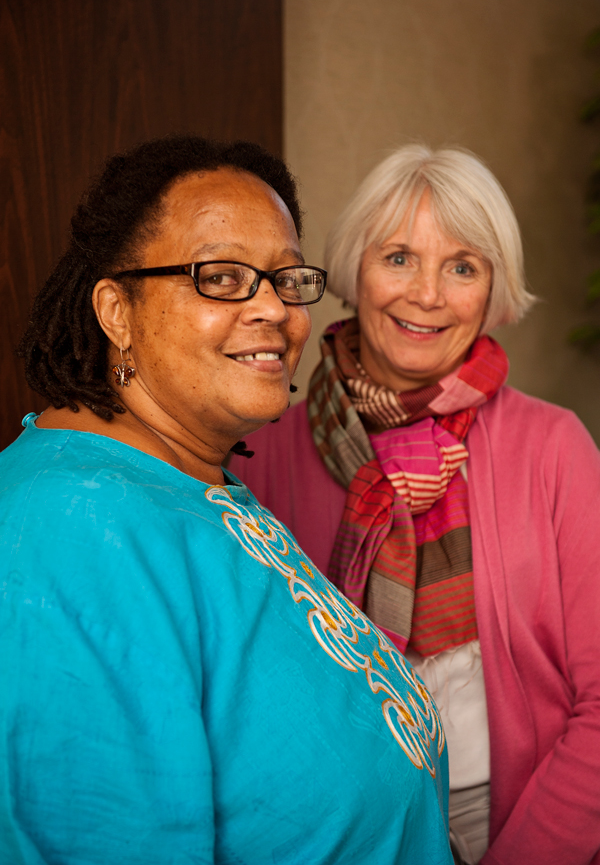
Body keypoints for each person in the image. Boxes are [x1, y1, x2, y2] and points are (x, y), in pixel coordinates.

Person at [0, 136, 453, 865]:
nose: (275, 310)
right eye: (222, 277)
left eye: (285, 279)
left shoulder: (197, 482)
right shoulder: (69, 532)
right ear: (116, 310)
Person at [231, 144, 600, 865]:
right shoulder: (260, 457)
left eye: (462, 266)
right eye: (398, 257)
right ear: (352, 270)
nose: (427, 294)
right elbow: (257, 714)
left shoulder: (557, 447)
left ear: (493, 289)